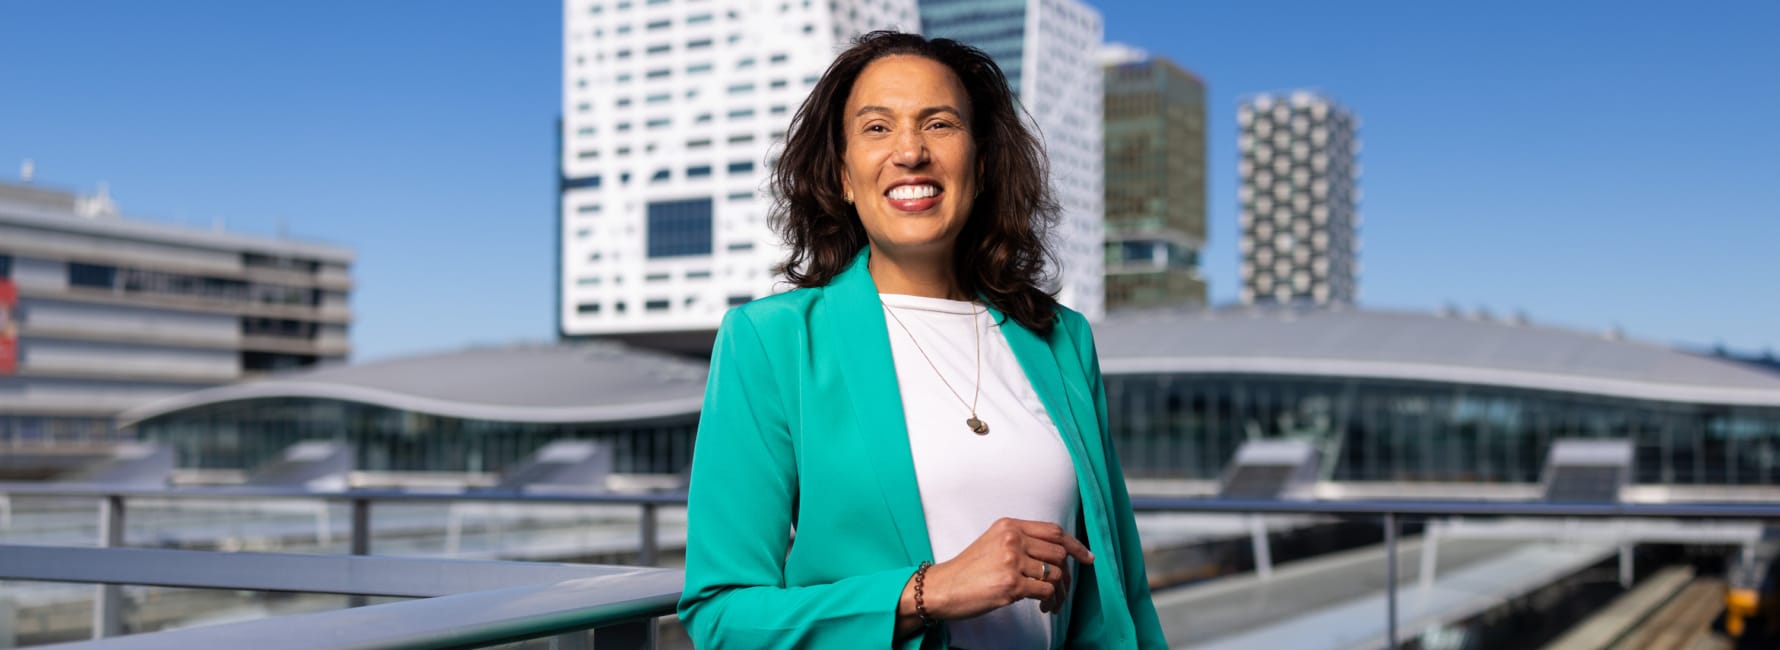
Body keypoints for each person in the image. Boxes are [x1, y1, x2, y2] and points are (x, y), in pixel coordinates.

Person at [678, 31, 1166, 649]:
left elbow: (1122, 593)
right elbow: (722, 616)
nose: (910, 152)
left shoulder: (1063, 339)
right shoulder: (770, 343)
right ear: (845, 176)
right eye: (877, 128)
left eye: (939, 124)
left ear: (981, 165)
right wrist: (928, 591)